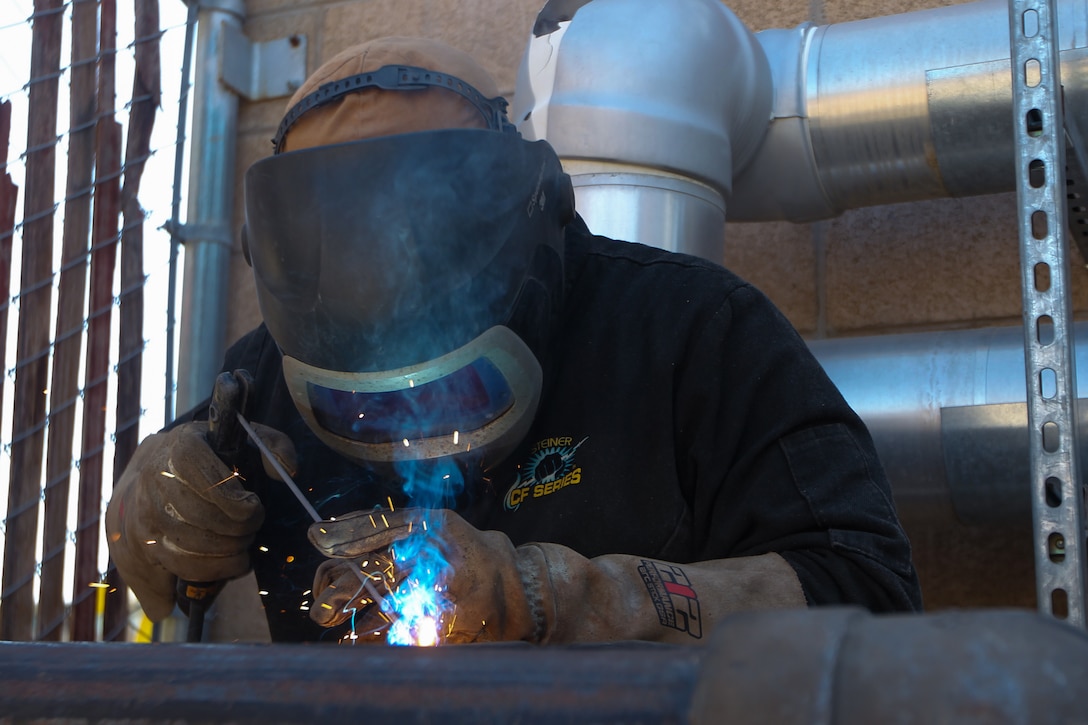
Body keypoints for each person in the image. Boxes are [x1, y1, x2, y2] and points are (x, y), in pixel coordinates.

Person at [106, 37, 922, 645]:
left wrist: (564, 600)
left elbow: (868, 598)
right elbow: (165, 581)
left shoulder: (688, 329)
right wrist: (154, 499)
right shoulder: (261, 384)